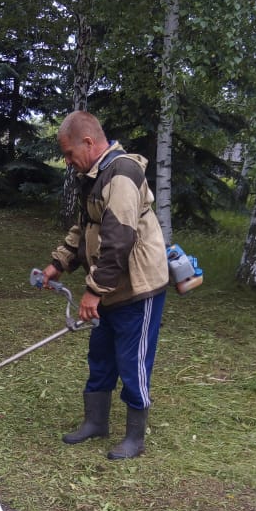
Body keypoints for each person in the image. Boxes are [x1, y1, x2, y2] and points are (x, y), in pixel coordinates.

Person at [39, 111, 169, 460]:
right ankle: (96, 422)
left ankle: (135, 437)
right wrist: (57, 264)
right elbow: (85, 229)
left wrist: (93, 290)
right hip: (112, 286)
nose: (68, 162)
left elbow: (118, 240)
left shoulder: (122, 174)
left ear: (88, 142)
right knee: (100, 356)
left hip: (137, 288)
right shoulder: (94, 176)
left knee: (132, 360)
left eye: (69, 153)